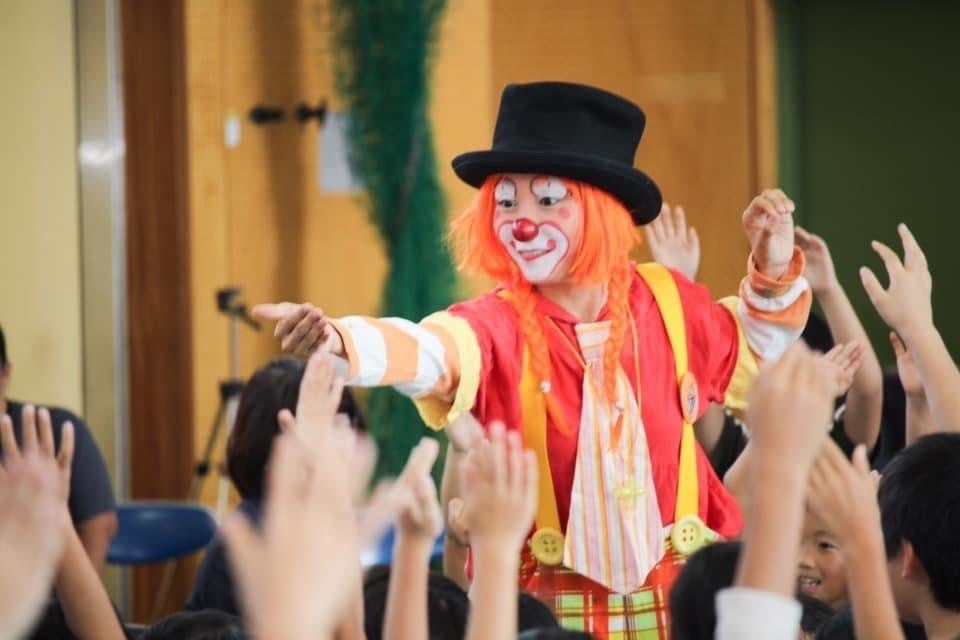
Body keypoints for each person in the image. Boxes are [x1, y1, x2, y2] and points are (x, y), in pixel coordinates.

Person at [254, 81, 812, 637]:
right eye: (506, 202)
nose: (521, 222)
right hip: (543, 617)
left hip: (678, 607)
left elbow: (757, 349)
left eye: (546, 200)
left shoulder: (669, 303)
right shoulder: (494, 325)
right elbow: (429, 351)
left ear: (602, 209)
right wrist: (343, 339)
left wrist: (773, 266)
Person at [0, 323, 117, 572]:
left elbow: (99, 523)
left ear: (5, 373)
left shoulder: (55, 430)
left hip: (49, 588)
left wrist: (79, 593)